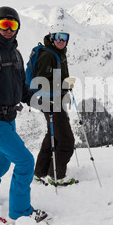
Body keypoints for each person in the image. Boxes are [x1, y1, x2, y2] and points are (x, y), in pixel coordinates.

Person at [0, 6, 50, 223]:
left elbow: (20, 87)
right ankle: (20, 212)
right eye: (3, 24)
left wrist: (35, 99)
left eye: (12, 25)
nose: (8, 30)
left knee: (1, 161)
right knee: (25, 161)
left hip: (8, 118)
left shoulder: (15, 54)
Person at [33, 31, 77, 186]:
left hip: (55, 101)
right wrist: (63, 86)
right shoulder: (48, 55)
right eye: (58, 37)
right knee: (66, 141)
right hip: (51, 102)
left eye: (64, 37)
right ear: (52, 39)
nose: (61, 40)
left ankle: (40, 172)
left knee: (52, 135)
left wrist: (65, 86)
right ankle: (56, 176)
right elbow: (40, 82)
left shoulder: (58, 54)